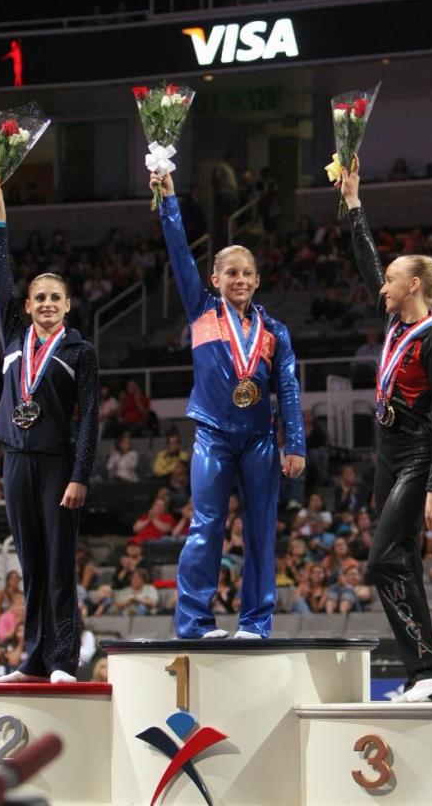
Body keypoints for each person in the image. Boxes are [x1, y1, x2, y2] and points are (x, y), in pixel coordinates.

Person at [341, 160, 432, 702]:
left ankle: (430, 665)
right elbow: (368, 262)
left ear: (414, 285)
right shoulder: (399, 323)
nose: (384, 286)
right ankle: (424, 675)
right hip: (389, 454)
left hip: (419, 455)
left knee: (382, 559)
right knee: (400, 563)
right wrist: (353, 203)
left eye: (394, 280)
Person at [151, 170, 305, 639]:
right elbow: (179, 251)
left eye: (246, 272)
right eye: (230, 272)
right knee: (206, 525)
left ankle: (255, 622)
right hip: (212, 436)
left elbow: (290, 388)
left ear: (257, 280)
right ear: (215, 278)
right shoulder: (201, 311)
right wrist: (169, 201)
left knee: (261, 532)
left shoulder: (275, 331)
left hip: (260, 438)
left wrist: (294, 443)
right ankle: (194, 621)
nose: (239, 279)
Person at [0, 180, 99, 684]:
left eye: (56, 297)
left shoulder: (80, 352)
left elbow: (92, 416)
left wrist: (80, 475)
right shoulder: (13, 336)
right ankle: (31, 659)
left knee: (58, 564)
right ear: (26, 306)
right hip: (15, 460)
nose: (47, 303)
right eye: (39, 297)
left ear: (68, 305)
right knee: (30, 563)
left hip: (56, 464)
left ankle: (62, 660)